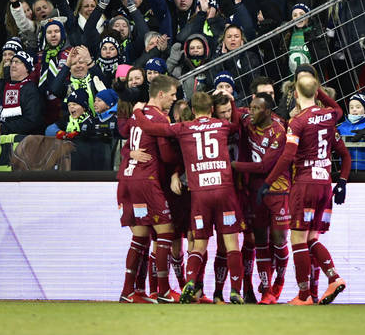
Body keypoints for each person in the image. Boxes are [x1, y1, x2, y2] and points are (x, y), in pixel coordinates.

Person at [130, 90, 247, 304]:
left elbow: (150, 128)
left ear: (193, 111)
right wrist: (231, 99)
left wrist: (137, 112)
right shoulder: (221, 125)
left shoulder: (184, 127)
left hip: (200, 194)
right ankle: (235, 292)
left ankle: (191, 282)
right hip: (224, 190)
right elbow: (237, 123)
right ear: (212, 109)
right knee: (232, 244)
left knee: (199, 244)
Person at [262, 72, 349, 305]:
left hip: (305, 183)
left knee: (298, 239)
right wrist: (314, 89)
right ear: (317, 91)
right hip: (324, 184)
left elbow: (288, 156)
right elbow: (338, 108)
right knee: (311, 238)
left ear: (297, 93)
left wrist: (269, 181)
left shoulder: (297, 121)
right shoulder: (330, 115)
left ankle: (304, 296)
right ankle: (334, 278)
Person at [116, 73, 181, 304]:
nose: (174, 98)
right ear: (161, 94)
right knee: (165, 232)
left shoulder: (138, 115)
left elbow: (126, 145)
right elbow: (165, 154)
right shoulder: (159, 119)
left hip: (126, 180)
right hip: (146, 180)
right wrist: (179, 162)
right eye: (172, 95)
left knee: (140, 237)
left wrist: (129, 153)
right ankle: (163, 291)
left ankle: (128, 291)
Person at [232, 93, 291, 304]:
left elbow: (264, 166)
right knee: (260, 242)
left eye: (256, 108)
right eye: (251, 107)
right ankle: (266, 291)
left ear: (267, 111)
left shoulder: (278, 132)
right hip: (253, 192)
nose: (251, 112)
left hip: (278, 191)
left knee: (280, 240)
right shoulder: (248, 121)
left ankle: (280, 280)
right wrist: (229, 99)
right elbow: (233, 114)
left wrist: (234, 166)